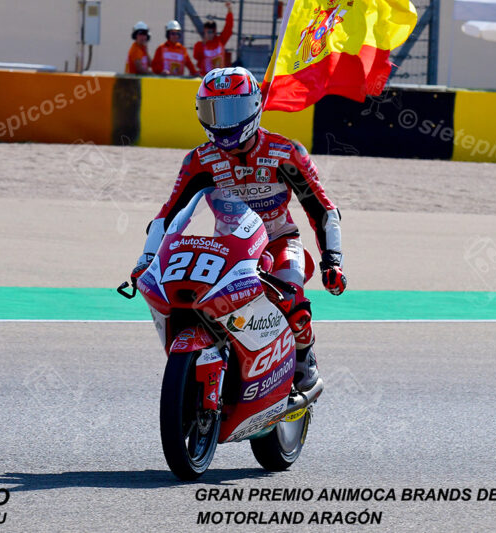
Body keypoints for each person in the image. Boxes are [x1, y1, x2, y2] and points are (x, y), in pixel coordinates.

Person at [131, 67, 346, 392]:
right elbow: (168, 215)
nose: (222, 121)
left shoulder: (285, 152)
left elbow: (322, 209)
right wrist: (147, 258)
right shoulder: (199, 161)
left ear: (255, 106)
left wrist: (333, 261)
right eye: (213, 111)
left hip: (278, 243)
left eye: (232, 110)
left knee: (293, 300)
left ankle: (304, 358)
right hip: (224, 248)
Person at [193, 2, 234, 77]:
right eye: (208, 31)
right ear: (204, 31)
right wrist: (203, 45)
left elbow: (229, 26)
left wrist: (229, 10)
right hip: (205, 77)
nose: (210, 34)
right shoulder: (199, 45)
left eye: (212, 31)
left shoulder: (220, 41)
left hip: (219, 77)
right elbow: (196, 57)